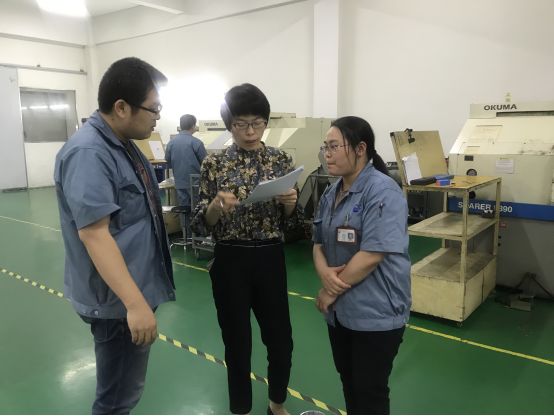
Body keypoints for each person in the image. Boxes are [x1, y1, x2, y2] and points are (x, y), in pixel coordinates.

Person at [54, 57, 175, 414]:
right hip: (118, 303)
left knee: (122, 393)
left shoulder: (121, 143)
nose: (157, 117)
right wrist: (134, 305)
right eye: (153, 109)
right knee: (117, 400)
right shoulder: (90, 153)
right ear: (121, 107)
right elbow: (95, 235)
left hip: (128, 291)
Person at [191, 83, 301, 415]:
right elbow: (201, 224)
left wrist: (290, 204)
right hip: (230, 260)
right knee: (237, 344)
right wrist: (215, 207)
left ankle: (276, 402)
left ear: (265, 122)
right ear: (230, 125)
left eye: (257, 123)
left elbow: (294, 224)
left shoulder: (281, 159)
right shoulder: (214, 163)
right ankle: (240, 409)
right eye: (241, 124)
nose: (250, 132)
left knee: (280, 340)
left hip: (270, 257)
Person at [312, 116, 411, 415]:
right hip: (340, 314)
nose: (327, 154)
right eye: (325, 147)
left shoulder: (383, 191)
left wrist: (329, 291)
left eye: (334, 147)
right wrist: (324, 272)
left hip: (376, 312)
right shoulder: (331, 192)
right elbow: (317, 242)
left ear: (360, 149)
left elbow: (372, 254)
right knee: (350, 382)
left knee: (369, 390)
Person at [164, 114, 207, 245]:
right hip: (195, 183)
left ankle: (187, 237)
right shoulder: (196, 143)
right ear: (193, 126)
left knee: (184, 209)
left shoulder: (171, 143)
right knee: (197, 209)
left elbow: (167, 161)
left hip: (179, 182)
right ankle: (198, 239)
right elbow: (206, 163)